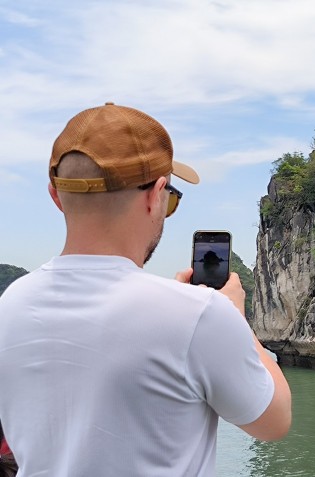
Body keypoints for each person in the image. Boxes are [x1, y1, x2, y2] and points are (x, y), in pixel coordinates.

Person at [0, 103, 291, 476]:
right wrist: (235, 318)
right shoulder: (199, 315)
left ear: (55, 196)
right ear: (156, 195)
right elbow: (274, 422)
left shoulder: (11, 305)